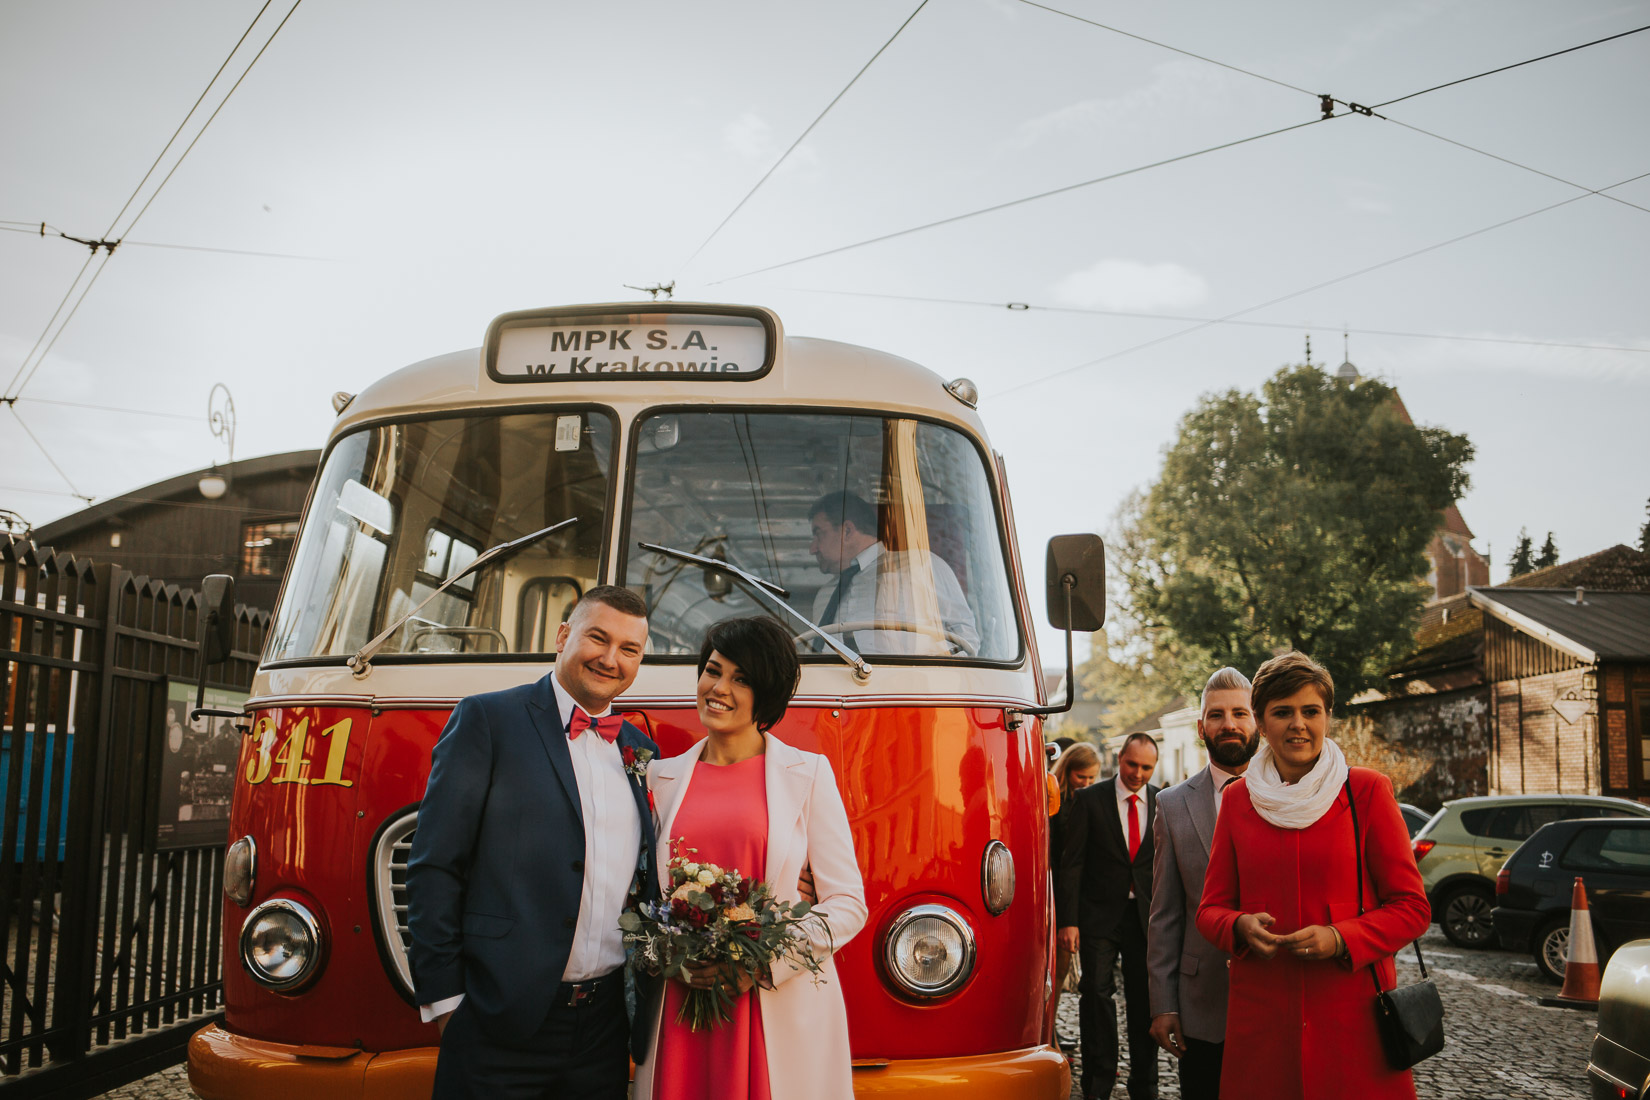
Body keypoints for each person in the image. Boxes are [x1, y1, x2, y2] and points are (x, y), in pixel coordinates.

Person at [407, 585, 659, 1099]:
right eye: (598, 638)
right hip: (497, 1020)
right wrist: (446, 1004)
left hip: (605, 1027)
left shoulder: (638, 749)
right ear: (564, 635)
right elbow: (435, 865)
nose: (611, 659)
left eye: (629, 650)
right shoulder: (487, 719)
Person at [637, 616, 867, 1100]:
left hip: (773, 1005)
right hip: (680, 1005)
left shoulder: (808, 776)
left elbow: (848, 904)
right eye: (713, 670)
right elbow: (638, 892)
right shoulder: (660, 777)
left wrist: (757, 965)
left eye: (741, 679)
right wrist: (668, 953)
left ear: (768, 694)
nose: (719, 688)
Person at [1195, 653, 1431, 1100]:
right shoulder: (1238, 800)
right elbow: (1210, 910)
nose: (1298, 724)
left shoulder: (1367, 792)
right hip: (1262, 1028)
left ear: (1327, 717)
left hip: (1355, 1023)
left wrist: (1341, 938)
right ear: (1262, 723)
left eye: (1310, 711)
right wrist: (1238, 926)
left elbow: (1413, 909)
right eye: (1282, 712)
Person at [1146, 668, 1259, 1100]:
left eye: (1239, 713)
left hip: (1277, 998)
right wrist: (1164, 1004)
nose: (1228, 724)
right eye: (1216, 715)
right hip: (1202, 1003)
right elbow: (1164, 915)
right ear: (1200, 727)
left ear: (1257, 722)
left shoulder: (1292, 793)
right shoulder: (1171, 805)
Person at [1058, 732, 1161, 1100]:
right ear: (1119, 758)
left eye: (1146, 767)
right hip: (1098, 916)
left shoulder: (1162, 801)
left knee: (1144, 1001)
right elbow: (1071, 864)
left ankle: (1145, 1086)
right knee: (1096, 996)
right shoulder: (1090, 799)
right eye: (1132, 764)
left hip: (1145, 918)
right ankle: (1098, 1084)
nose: (1138, 773)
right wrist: (1068, 921)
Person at [806, 491, 979, 656]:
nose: (812, 549)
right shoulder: (824, 597)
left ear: (847, 531)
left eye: (818, 534)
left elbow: (965, 641)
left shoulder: (919, 565)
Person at [1050, 741, 1102, 1048]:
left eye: (1092, 779)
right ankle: (1048, 1035)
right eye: (1081, 777)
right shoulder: (1056, 804)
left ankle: (1051, 1032)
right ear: (1068, 770)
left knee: (1064, 969)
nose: (1086, 784)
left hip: (1075, 897)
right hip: (1057, 896)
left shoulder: (1082, 802)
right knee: (1058, 970)